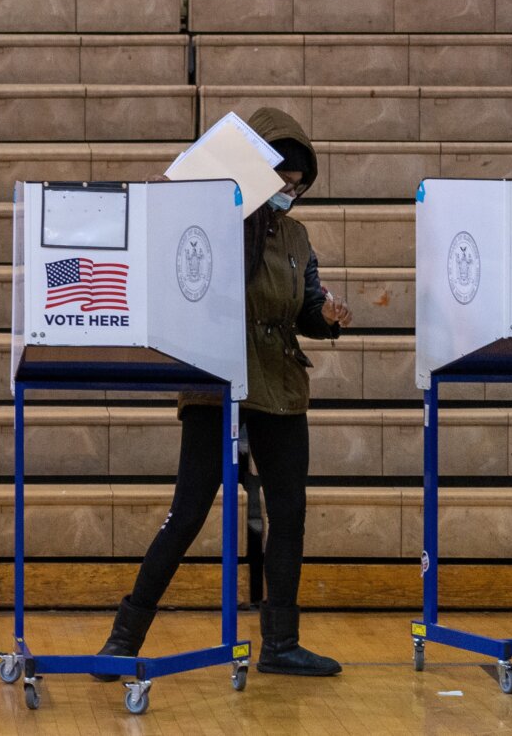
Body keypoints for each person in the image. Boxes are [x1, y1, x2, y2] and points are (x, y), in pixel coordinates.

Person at [95, 107, 354, 678]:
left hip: (280, 384)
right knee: (187, 513)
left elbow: (305, 306)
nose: (292, 191)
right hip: (215, 381)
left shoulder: (296, 235)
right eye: (284, 179)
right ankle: (123, 638)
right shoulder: (213, 221)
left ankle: (281, 644)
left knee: (289, 513)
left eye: (300, 184)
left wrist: (328, 316)